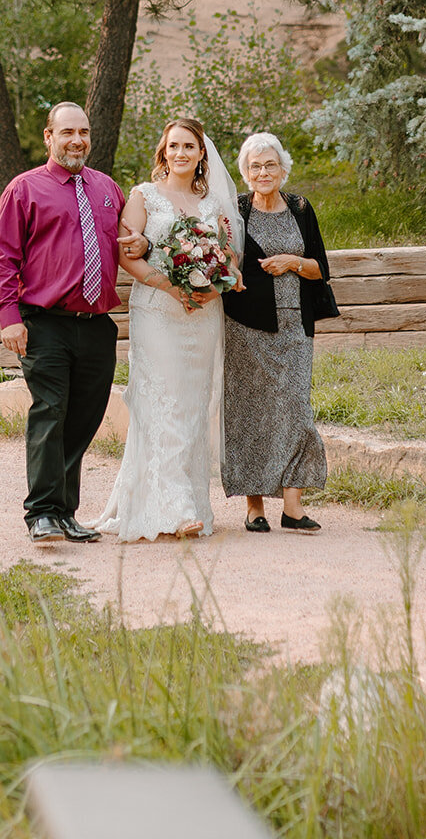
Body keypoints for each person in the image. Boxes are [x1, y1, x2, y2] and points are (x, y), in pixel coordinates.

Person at [0, 101, 149, 545]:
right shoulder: (24, 190)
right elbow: (3, 256)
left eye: (83, 132)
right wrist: (9, 317)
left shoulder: (106, 188)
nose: (77, 140)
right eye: (67, 132)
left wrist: (147, 242)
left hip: (97, 324)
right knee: (50, 412)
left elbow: (127, 241)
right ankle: (41, 512)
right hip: (46, 323)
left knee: (84, 418)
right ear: (49, 137)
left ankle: (65, 512)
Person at [95, 116, 242, 542]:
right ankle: (175, 507)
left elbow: (228, 259)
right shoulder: (143, 196)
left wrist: (216, 286)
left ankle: (189, 499)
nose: (181, 153)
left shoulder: (213, 206)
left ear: (201, 156)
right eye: (174, 146)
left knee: (194, 405)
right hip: (158, 312)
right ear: (164, 151)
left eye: (189, 147)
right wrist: (171, 288)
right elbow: (127, 255)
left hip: (202, 314)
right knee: (165, 399)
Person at [223, 131, 338, 534]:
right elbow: (225, 263)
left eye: (270, 164)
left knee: (295, 410)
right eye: (255, 166)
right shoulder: (237, 211)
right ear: (245, 173)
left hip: (294, 322)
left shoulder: (301, 208)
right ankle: (255, 507)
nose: (263, 172)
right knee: (250, 412)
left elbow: (320, 268)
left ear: (283, 169)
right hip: (245, 325)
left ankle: (292, 507)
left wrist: (292, 260)